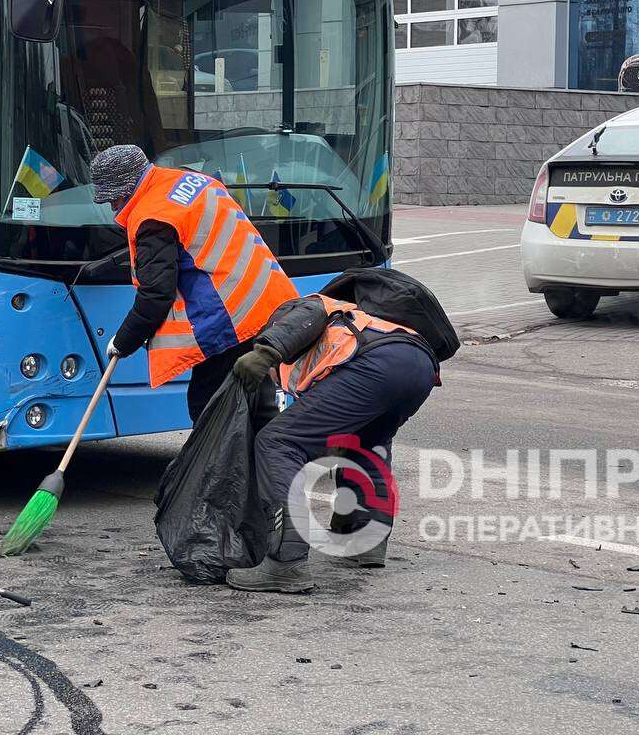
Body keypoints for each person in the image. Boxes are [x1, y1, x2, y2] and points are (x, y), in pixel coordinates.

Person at [224, 293, 439, 593]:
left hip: (376, 364)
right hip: (419, 363)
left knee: (277, 441)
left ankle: (286, 562)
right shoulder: (350, 325)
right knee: (367, 442)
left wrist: (264, 352)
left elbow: (310, 310)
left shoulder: (306, 311)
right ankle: (367, 538)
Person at [89, 144, 299, 423]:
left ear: (127, 187)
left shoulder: (153, 216)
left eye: (113, 199)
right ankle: (266, 463)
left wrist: (124, 341)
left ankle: (221, 468)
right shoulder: (191, 181)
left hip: (231, 317)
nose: (113, 207)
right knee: (257, 404)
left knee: (207, 409)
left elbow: (155, 295)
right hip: (267, 301)